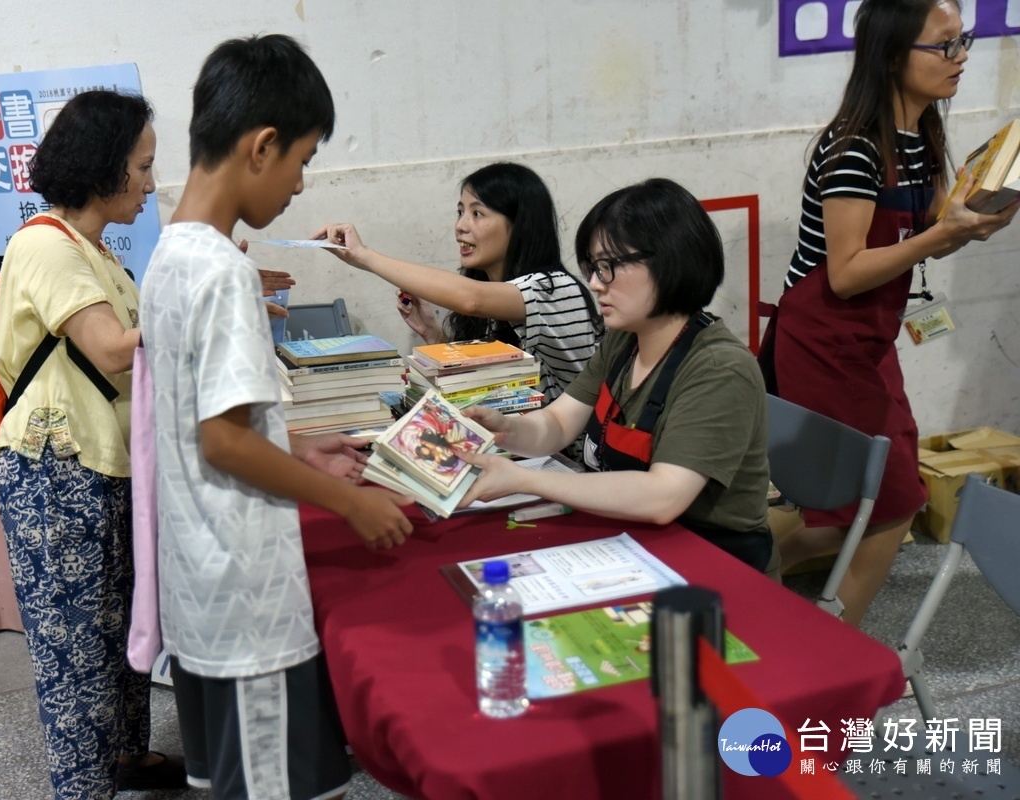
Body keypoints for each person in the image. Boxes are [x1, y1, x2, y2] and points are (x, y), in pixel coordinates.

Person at [139, 34, 415, 800]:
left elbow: (207, 427)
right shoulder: (225, 272)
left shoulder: (170, 254)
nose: (299, 184)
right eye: (302, 159)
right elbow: (222, 440)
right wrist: (350, 500)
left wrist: (294, 441)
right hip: (247, 602)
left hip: (202, 591)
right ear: (261, 147)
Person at [762, 0, 1017, 627]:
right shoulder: (854, 148)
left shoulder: (922, 135)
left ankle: (764, 571)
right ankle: (829, 653)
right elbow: (846, 272)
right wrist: (943, 236)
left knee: (878, 499)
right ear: (893, 54)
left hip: (868, 345)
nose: (961, 59)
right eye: (945, 46)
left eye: (965, 41)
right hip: (822, 343)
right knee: (892, 504)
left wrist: (975, 217)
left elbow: (923, 228)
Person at [0, 91, 186, 798]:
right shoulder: (43, 243)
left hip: (108, 465)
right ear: (104, 166)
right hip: (56, 472)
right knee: (75, 649)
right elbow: (110, 348)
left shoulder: (96, 252)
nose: (150, 183)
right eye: (142, 165)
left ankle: (126, 758)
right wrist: (210, 304)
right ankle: (82, 787)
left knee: (124, 629)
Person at [458, 178, 774, 573]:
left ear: (668, 260)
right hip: (634, 543)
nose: (593, 283)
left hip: (710, 560)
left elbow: (663, 496)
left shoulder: (718, 368)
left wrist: (525, 479)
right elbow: (558, 422)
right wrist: (506, 428)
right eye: (593, 267)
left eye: (607, 267)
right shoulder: (624, 341)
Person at [316, 162, 602, 403]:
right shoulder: (495, 304)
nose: (460, 226)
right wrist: (433, 334)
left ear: (520, 225)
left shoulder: (553, 289)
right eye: (460, 211)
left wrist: (364, 256)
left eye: (477, 213)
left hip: (566, 462)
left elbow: (471, 298)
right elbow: (483, 389)